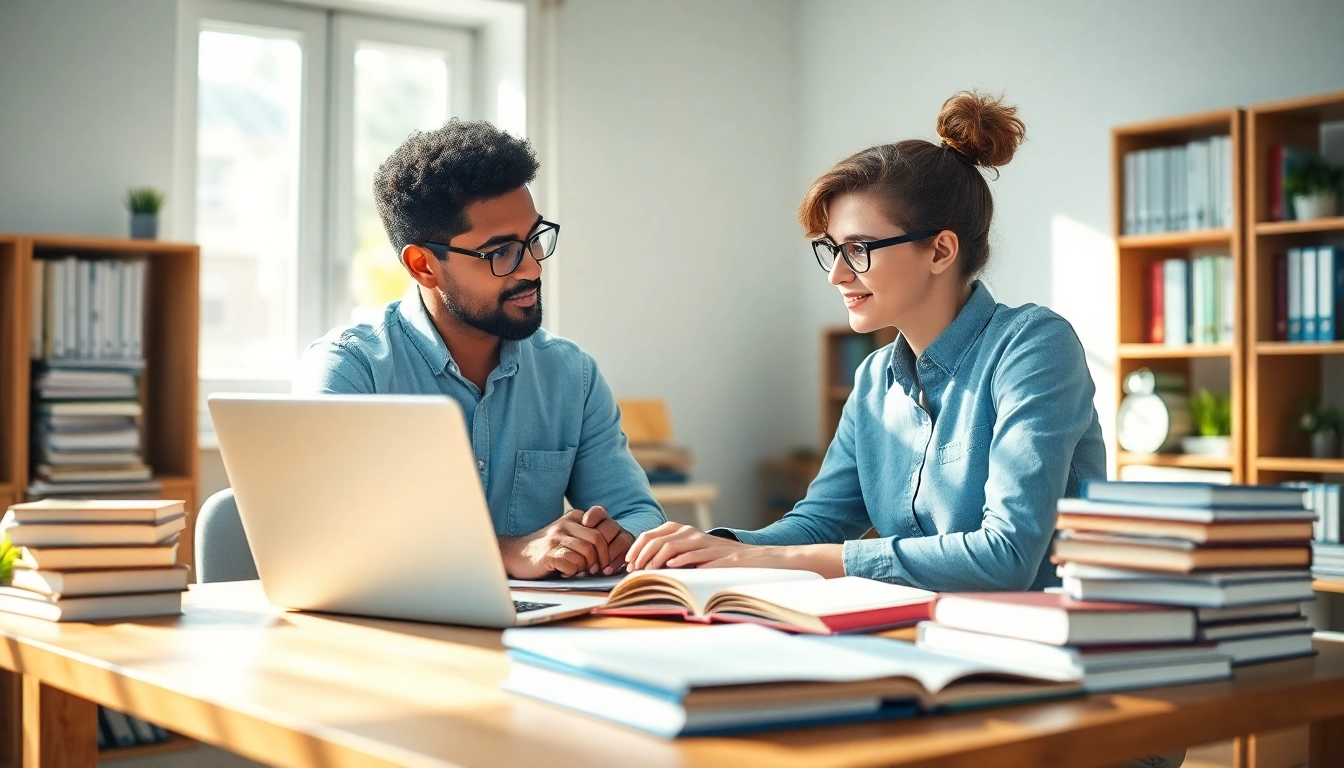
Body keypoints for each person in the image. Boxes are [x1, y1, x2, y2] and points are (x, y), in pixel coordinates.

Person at [625, 91, 1107, 592]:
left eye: (857, 249)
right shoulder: (875, 379)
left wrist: (782, 557)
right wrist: (708, 548)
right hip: (921, 634)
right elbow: (819, 525)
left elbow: (1005, 556)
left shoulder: (1034, 347)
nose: (836, 275)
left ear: (940, 250)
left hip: (1044, 646)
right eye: (832, 250)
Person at [293, 119, 665, 580]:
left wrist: (613, 540)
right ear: (423, 265)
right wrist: (508, 552)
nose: (530, 268)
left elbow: (638, 514)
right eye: (500, 252)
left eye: (533, 239)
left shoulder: (573, 376)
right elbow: (330, 533)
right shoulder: (350, 371)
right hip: (391, 630)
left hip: (538, 628)